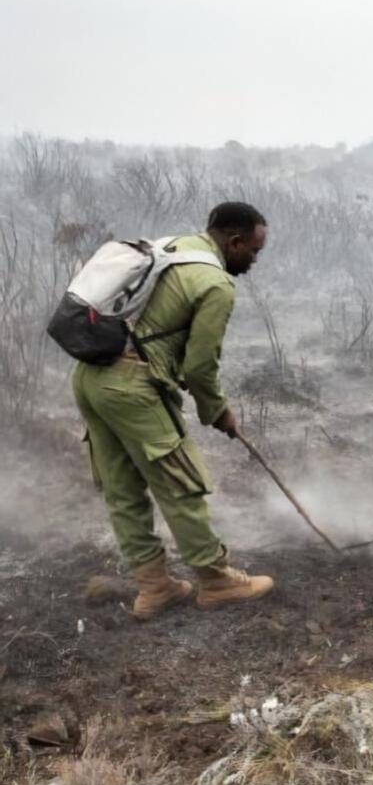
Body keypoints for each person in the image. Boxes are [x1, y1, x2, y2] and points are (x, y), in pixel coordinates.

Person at [71, 202, 274, 620]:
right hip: (130, 386)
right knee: (178, 482)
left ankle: (155, 587)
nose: (254, 260)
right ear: (234, 241)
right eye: (253, 251)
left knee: (121, 488)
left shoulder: (172, 246)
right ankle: (217, 581)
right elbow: (201, 367)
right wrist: (218, 411)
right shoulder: (216, 284)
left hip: (90, 379)